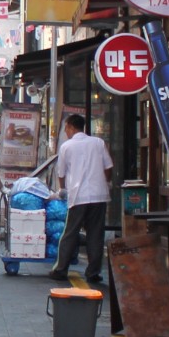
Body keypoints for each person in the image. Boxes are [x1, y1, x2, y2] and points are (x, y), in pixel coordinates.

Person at [49, 112, 114, 286]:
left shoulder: (66, 146)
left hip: (78, 196)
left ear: (71, 127)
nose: (66, 131)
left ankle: (61, 269)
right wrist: (105, 182)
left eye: (66, 128)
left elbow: (61, 173)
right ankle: (93, 272)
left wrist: (63, 189)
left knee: (70, 232)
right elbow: (108, 167)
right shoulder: (98, 143)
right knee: (95, 234)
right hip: (98, 195)